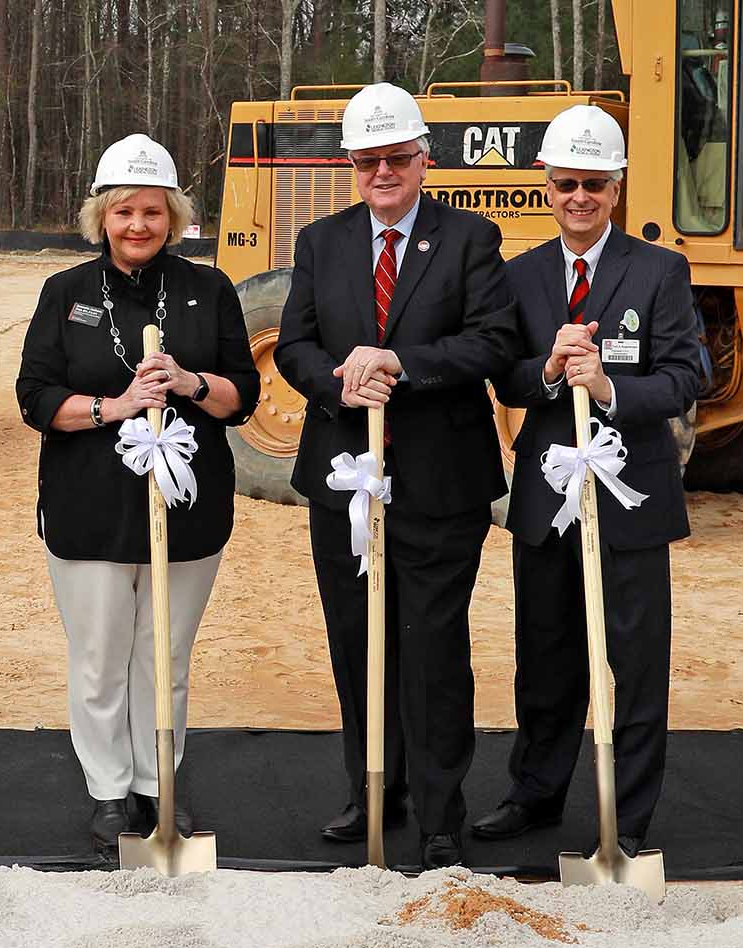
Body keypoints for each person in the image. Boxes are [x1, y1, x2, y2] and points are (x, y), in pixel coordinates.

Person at [273, 83, 521, 869]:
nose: (383, 171)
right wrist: (338, 381)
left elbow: (492, 342)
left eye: (397, 158)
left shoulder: (471, 239)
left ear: (424, 160)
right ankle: (373, 789)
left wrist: (402, 365)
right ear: (352, 165)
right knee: (357, 641)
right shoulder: (322, 241)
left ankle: (442, 811)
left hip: (440, 481)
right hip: (345, 477)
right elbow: (294, 345)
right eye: (368, 160)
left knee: (432, 645)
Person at [15, 135, 258, 852]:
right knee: (98, 656)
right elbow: (34, 398)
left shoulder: (209, 290)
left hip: (187, 510)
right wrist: (115, 406)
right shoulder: (65, 293)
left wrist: (186, 383)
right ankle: (109, 791)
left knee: (166, 654)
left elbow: (241, 396)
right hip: (89, 505)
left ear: (174, 215)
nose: (139, 226)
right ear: (102, 217)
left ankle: (160, 784)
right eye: (124, 212)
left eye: (153, 211)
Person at [478, 105, 705, 855]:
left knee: (635, 665)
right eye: (567, 181)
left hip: (630, 500)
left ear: (617, 188)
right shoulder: (521, 276)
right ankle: (535, 794)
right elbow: (507, 380)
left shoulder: (660, 270)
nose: (580, 196)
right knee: (546, 660)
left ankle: (628, 816)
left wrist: (608, 389)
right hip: (548, 503)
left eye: (595, 184)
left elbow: (684, 375)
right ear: (546, 183)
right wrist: (546, 370)